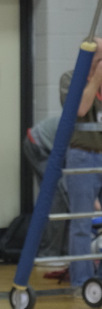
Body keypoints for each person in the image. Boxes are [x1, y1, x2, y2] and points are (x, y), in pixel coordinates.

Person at [60, 40, 102, 295]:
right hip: (82, 157)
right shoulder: (69, 78)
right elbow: (80, 108)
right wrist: (96, 78)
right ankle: (82, 282)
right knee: (81, 223)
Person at [23, 115, 69, 261]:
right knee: (58, 196)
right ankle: (49, 254)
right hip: (38, 145)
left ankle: (66, 252)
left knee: (67, 196)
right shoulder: (87, 128)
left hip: (51, 145)